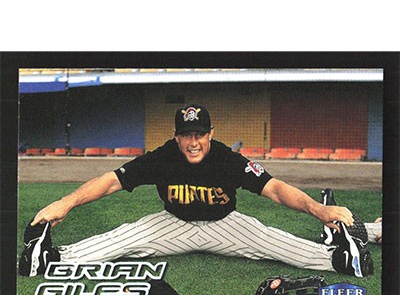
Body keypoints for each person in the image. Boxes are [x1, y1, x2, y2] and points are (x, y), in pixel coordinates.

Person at [18, 104, 374, 278]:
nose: (193, 142)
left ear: (210, 133)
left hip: (226, 224)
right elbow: (112, 180)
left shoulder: (227, 159)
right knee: (122, 238)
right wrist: (66, 202)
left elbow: (276, 189)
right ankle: (52, 259)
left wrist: (318, 210)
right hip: (172, 224)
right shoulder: (162, 157)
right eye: (186, 135)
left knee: (276, 243)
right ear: (176, 136)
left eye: (199, 134)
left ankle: (338, 258)